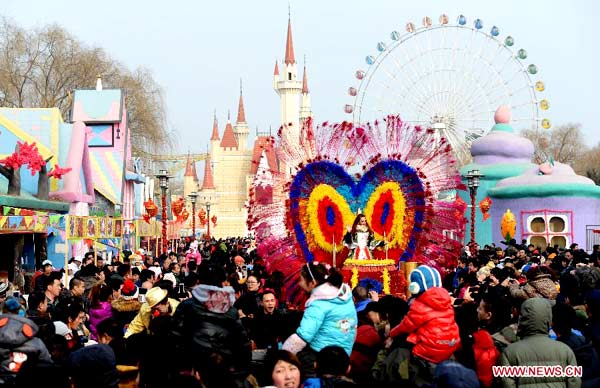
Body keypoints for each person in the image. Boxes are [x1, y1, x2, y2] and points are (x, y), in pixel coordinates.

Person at [170, 262, 251, 386]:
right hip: (223, 371)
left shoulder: (186, 306)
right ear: (222, 283)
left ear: (199, 282)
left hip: (193, 372)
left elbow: (175, 340)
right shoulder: (231, 311)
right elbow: (242, 345)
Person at [387, 265, 460, 384]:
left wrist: (391, 333)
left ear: (415, 287)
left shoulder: (420, 305)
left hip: (428, 351)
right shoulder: (446, 300)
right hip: (449, 345)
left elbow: (406, 326)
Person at [282, 263, 357, 378]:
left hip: (321, 355)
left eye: (301, 279)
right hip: (343, 354)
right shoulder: (344, 296)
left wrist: (283, 355)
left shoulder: (318, 304)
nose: (299, 284)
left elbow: (302, 338)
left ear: (312, 283)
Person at [499, 298, 580, 387]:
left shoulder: (509, 353)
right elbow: (574, 383)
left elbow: (508, 385)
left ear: (522, 318)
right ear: (549, 319)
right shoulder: (565, 350)